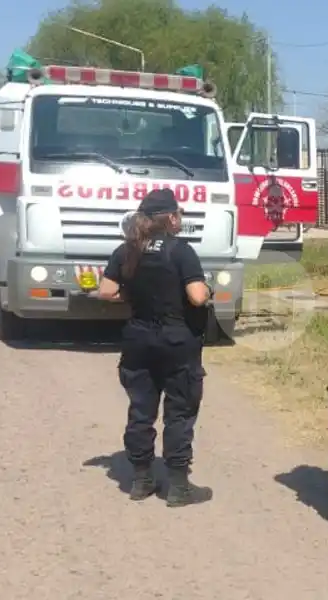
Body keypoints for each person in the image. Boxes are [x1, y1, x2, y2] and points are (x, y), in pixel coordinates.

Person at [97, 188, 214, 508]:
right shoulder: (181, 251)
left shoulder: (127, 250)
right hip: (177, 342)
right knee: (179, 413)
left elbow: (105, 292)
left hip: (138, 340)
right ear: (172, 218)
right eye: (179, 213)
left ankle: (141, 480)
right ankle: (178, 486)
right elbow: (198, 297)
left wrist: (132, 296)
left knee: (141, 411)